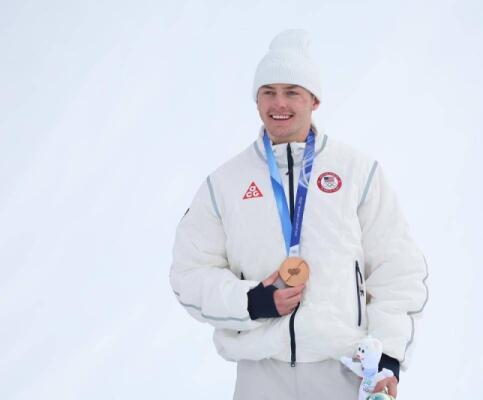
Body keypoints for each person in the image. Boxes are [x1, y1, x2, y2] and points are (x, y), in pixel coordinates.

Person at [169, 29, 429, 400]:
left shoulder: (357, 172)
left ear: (314, 100)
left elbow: (398, 267)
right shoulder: (225, 184)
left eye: (292, 92)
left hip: (343, 371)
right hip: (261, 374)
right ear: (256, 100)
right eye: (268, 92)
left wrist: (388, 355)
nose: (279, 103)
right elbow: (189, 273)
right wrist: (252, 301)